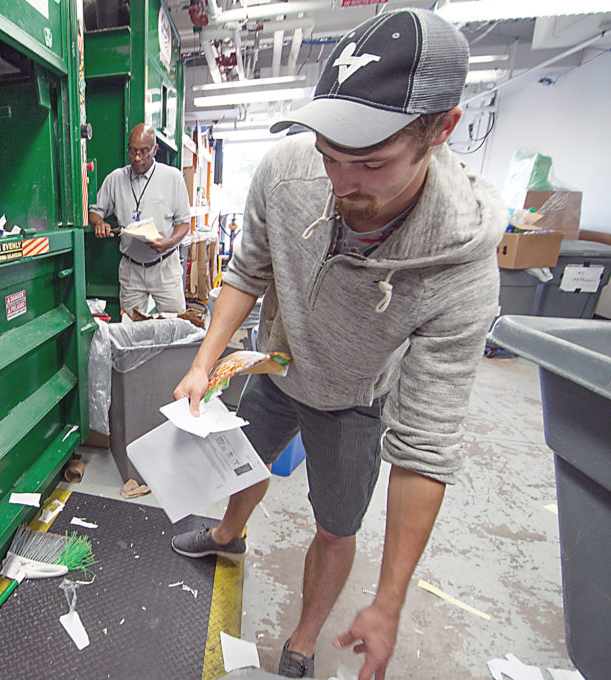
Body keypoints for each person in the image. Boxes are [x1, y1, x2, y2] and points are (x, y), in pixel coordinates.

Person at [169, 9, 506, 680]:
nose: (342, 184)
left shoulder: (459, 264)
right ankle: (227, 537)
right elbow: (248, 272)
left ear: (442, 130)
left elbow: (427, 445)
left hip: (353, 398)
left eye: (372, 163)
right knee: (244, 465)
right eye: (330, 156)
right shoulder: (287, 174)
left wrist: (389, 600)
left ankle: (302, 639)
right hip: (276, 368)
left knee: (334, 526)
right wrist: (203, 365)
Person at [89, 122, 192, 316]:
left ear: (154, 149)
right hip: (131, 268)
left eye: (144, 152)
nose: (137, 158)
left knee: (176, 325)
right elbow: (95, 212)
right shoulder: (115, 179)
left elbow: (184, 223)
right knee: (130, 328)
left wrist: (169, 242)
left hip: (165, 266)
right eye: (133, 151)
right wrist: (99, 223)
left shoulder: (172, 177)